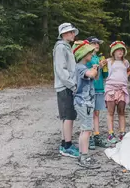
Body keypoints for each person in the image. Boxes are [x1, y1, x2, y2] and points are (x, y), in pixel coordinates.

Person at [72, 40, 101, 169]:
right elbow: (91, 74)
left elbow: (95, 77)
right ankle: (84, 156)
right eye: (90, 52)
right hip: (83, 102)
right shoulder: (80, 67)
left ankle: (82, 154)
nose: (92, 53)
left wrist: (96, 69)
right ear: (84, 55)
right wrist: (94, 69)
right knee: (87, 130)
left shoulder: (84, 67)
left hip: (86, 102)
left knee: (85, 129)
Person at [53, 23, 79, 158]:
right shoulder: (61, 48)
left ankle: (64, 143)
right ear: (64, 34)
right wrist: (72, 85)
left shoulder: (66, 47)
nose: (73, 34)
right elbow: (61, 70)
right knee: (68, 116)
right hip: (65, 87)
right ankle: (67, 145)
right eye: (70, 32)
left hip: (66, 86)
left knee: (66, 116)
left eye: (73, 32)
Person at [85, 36, 110, 149]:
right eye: (94, 43)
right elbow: (89, 71)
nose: (97, 45)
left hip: (99, 88)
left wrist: (105, 67)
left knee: (97, 113)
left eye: (98, 43)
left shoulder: (99, 57)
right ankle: (89, 137)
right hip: (90, 88)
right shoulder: (88, 58)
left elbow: (105, 76)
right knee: (89, 113)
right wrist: (99, 65)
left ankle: (96, 135)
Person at [105, 41, 130, 144]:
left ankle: (122, 132)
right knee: (110, 111)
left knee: (121, 111)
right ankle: (110, 133)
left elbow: (129, 70)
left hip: (122, 89)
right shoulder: (109, 61)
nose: (121, 51)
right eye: (118, 50)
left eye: (122, 50)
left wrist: (125, 78)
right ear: (113, 52)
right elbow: (100, 67)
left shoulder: (125, 62)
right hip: (111, 88)